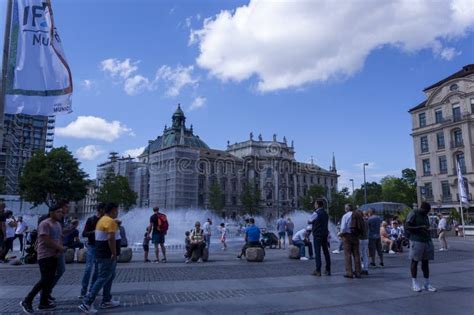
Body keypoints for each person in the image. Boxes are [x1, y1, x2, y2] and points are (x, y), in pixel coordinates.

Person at [21, 205, 65, 313]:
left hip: (54, 255)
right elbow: (46, 240)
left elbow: (59, 238)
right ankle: (27, 301)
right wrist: (60, 248)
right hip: (45, 255)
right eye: (58, 211)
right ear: (51, 212)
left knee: (49, 280)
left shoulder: (58, 224)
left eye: (61, 212)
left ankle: (43, 303)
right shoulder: (45, 224)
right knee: (45, 279)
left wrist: (59, 251)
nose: (61, 214)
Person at [79, 203, 121, 313]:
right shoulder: (109, 221)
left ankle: (106, 300)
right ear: (112, 210)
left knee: (109, 276)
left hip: (101, 253)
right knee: (103, 277)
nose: (118, 212)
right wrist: (114, 252)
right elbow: (110, 238)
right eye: (117, 210)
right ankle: (87, 303)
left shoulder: (103, 220)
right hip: (107, 254)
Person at [406, 202, 437, 293]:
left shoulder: (425, 215)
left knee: (425, 262)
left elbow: (425, 226)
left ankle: (426, 284)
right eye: (426, 211)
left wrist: (426, 229)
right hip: (416, 240)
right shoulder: (413, 213)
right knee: (414, 261)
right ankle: (414, 283)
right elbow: (407, 226)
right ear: (422, 209)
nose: (427, 212)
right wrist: (420, 227)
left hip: (426, 240)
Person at [79, 204, 104, 299]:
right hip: (92, 246)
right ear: (99, 210)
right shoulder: (91, 220)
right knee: (88, 268)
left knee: (97, 269)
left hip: (100, 247)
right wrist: (94, 232)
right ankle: (83, 291)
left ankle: (92, 289)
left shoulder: (104, 220)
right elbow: (84, 234)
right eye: (103, 210)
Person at [308, 199, 331, 276]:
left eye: (315, 204)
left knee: (317, 253)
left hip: (317, 235)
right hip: (325, 235)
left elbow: (309, 221)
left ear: (318, 205)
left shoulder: (316, 213)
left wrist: (313, 222)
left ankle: (318, 270)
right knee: (326, 252)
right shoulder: (325, 213)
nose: (314, 205)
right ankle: (328, 270)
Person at [340, 204, 361, 278]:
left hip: (347, 236)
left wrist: (340, 234)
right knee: (356, 254)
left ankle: (349, 272)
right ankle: (358, 272)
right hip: (356, 236)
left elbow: (343, 228)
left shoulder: (345, 216)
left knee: (348, 254)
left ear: (346, 209)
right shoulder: (357, 215)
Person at [359, 211, 369, 276]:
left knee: (360, 255)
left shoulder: (359, 222)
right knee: (365, 254)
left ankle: (362, 268)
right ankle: (366, 268)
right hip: (366, 238)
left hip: (360, 239)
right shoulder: (366, 221)